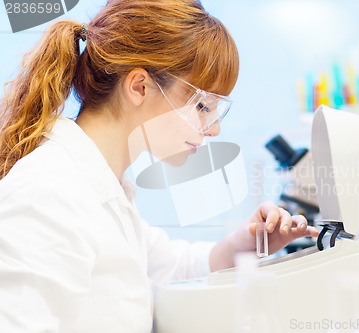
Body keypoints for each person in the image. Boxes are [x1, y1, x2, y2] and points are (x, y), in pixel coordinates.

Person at [0, 0, 318, 332]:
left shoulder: (107, 187)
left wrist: (242, 245)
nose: (213, 129)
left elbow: (168, 269)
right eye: (202, 105)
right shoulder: (49, 195)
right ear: (139, 87)